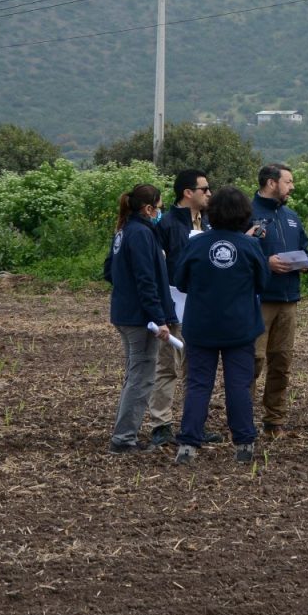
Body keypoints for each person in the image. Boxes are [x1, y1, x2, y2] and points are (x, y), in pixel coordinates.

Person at [171, 185, 266, 465]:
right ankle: (244, 443)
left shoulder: (197, 243)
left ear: (213, 212)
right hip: (239, 326)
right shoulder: (250, 245)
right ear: (244, 214)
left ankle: (188, 445)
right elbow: (264, 283)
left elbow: (181, 280)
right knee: (238, 385)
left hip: (201, 326)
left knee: (199, 385)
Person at [104, 182, 176, 454]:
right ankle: (123, 439)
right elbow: (147, 280)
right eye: (159, 207)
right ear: (148, 208)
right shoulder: (143, 235)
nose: (160, 212)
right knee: (141, 377)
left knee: (135, 373)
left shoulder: (123, 231)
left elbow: (109, 270)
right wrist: (158, 318)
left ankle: (124, 434)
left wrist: (125, 291)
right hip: (140, 319)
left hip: (124, 312)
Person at [144, 169, 212, 448]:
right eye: (204, 189)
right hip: (174, 307)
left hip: (202, 307)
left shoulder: (209, 223)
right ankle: (161, 424)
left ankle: (195, 424)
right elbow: (157, 268)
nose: (209, 193)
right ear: (188, 193)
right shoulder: (167, 225)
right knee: (166, 366)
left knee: (197, 369)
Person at [250, 162, 308, 436]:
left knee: (281, 362)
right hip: (259, 300)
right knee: (253, 361)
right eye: (288, 181)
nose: (292, 186)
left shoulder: (291, 217)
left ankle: (274, 420)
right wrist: (266, 264)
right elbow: (240, 255)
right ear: (271, 183)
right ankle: (242, 420)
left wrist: (306, 262)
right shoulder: (247, 214)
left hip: (289, 300)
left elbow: (305, 247)